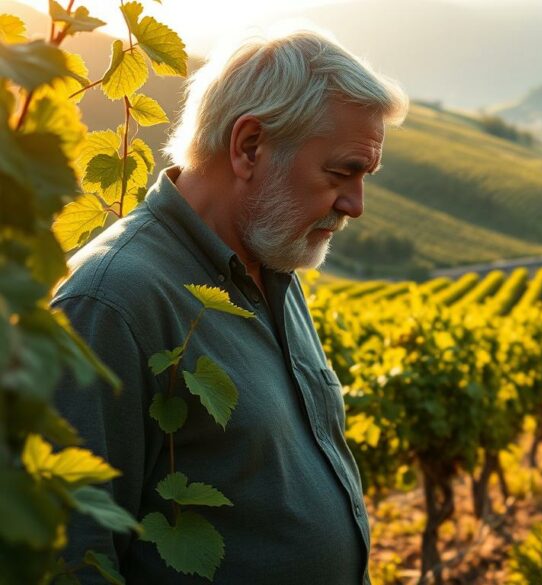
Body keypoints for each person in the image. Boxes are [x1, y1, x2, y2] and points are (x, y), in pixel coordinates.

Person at [52, 31, 407, 584]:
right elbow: (75, 559)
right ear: (249, 147)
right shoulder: (110, 304)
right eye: (340, 173)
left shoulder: (273, 267)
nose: (355, 205)